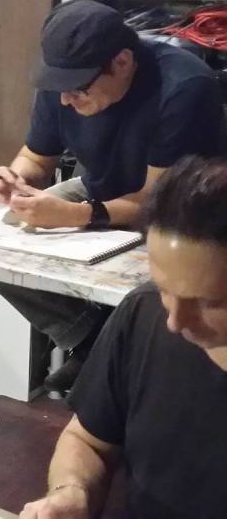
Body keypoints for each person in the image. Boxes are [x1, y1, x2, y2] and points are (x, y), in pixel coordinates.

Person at [0, 0, 226, 392]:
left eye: (78, 90)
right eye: (59, 89)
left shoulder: (184, 87)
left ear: (122, 62)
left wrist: (75, 216)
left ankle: (126, 356)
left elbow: (155, 203)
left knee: (158, 284)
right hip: (101, 189)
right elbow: (36, 156)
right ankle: (91, 338)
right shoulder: (64, 82)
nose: (65, 100)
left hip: (182, 211)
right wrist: (15, 178)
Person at [19, 156, 227, 519]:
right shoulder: (143, 313)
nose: (175, 322)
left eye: (208, 302)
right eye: (164, 289)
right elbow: (88, 441)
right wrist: (71, 491)